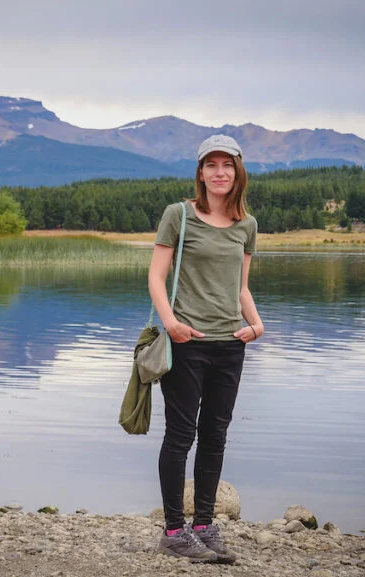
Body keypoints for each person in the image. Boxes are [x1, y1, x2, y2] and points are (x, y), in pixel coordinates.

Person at [148, 134, 264, 563]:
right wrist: (172, 323)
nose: (220, 172)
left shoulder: (247, 225)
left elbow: (241, 286)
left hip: (231, 344)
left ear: (238, 173)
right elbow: (156, 277)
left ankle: (204, 525)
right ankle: (174, 531)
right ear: (200, 172)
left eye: (227, 165)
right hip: (187, 343)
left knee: (215, 435)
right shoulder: (179, 215)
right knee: (180, 436)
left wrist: (255, 323)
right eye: (211, 165)